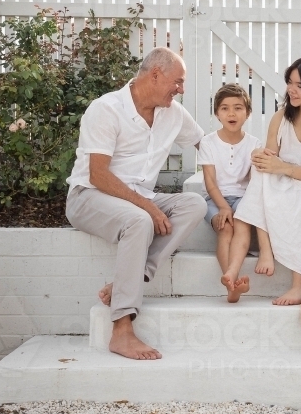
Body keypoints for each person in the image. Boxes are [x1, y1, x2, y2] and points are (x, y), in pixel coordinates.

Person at [66, 47, 206, 361]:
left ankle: (131, 278)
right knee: (139, 220)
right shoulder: (106, 109)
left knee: (194, 205)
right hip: (89, 196)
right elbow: (98, 175)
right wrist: (148, 207)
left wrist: (248, 164)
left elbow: (205, 143)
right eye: (178, 81)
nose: (181, 90)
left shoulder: (173, 113)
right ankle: (122, 328)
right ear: (155, 74)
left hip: (139, 199)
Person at [225, 55, 301, 305]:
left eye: (300, 85)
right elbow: (270, 159)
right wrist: (261, 158)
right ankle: (265, 251)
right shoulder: (281, 117)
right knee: (260, 171)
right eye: (290, 82)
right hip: (280, 180)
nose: (291, 89)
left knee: (294, 196)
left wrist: (281, 167)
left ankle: (299, 282)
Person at [198, 83, 267, 302]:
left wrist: (237, 206)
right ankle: (231, 285)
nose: (231, 113)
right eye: (225, 108)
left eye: (238, 108)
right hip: (214, 199)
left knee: (241, 223)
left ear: (247, 113)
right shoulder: (208, 142)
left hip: (242, 198)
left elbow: (254, 181)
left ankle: (231, 277)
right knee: (225, 229)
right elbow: (210, 182)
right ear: (217, 113)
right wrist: (223, 207)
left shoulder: (253, 143)